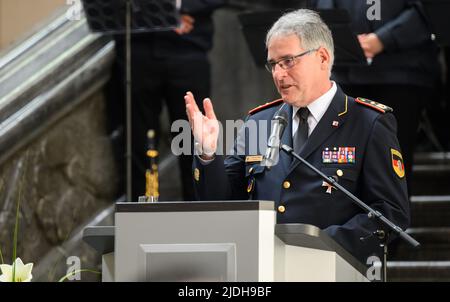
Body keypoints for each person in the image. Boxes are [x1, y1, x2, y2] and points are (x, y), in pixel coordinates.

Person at [185, 9, 410, 264]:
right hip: (265, 270)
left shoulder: (368, 122)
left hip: (333, 269)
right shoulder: (259, 122)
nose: (279, 75)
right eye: (273, 64)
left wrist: (318, 246)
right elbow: (220, 204)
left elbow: (390, 214)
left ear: (322, 58)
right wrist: (207, 152)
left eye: (289, 61)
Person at [310, 0, 441, 191]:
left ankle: (391, 219)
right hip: (344, 73)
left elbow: (429, 10)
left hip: (400, 74)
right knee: (340, 161)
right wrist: (340, 37)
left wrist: (383, 39)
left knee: (391, 159)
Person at [108, 0, 225, 202]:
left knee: (194, 140)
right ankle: (141, 219)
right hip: (137, 49)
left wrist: (178, 6)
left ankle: (199, 216)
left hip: (188, 49)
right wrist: (161, 13)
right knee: (138, 142)